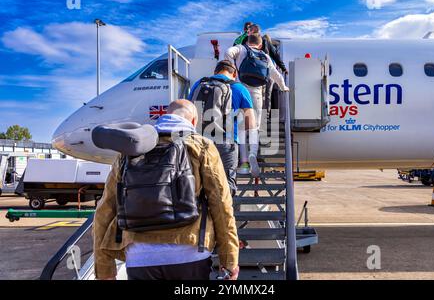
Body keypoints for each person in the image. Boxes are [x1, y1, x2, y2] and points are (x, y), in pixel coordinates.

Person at [93, 99, 239, 280]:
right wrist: (229, 259)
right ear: (194, 121)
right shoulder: (201, 146)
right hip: (190, 252)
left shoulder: (130, 150)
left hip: (140, 257)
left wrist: (104, 270)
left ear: (164, 115)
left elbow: (104, 211)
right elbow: (221, 204)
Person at [188, 60, 256, 195]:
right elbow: (251, 123)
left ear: (215, 72)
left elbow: (189, 112)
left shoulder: (198, 84)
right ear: (235, 74)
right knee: (225, 187)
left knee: (197, 184)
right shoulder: (240, 88)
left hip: (199, 141)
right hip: (226, 142)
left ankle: (202, 214)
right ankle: (224, 214)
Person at [225, 34, 289, 176]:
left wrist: (234, 73)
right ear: (260, 45)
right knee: (255, 127)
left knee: (241, 128)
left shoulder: (241, 49)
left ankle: (244, 161)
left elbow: (227, 53)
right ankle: (253, 153)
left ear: (248, 42)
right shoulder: (265, 56)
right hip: (257, 93)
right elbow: (275, 74)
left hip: (241, 89)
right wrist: (283, 87)